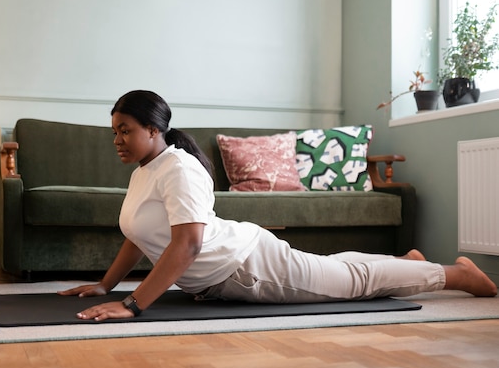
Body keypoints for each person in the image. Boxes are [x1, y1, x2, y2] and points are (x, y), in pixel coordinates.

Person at [58, 90, 497, 321]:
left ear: (154, 130)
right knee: (336, 269)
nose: (116, 140)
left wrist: (132, 304)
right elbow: (138, 236)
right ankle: (404, 263)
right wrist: (105, 285)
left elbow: (187, 245)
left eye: (125, 130)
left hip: (247, 268)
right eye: (113, 131)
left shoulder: (178, 168)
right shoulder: (145, 172)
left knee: (348, 280)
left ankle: (457, 274)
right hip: (227, 273)